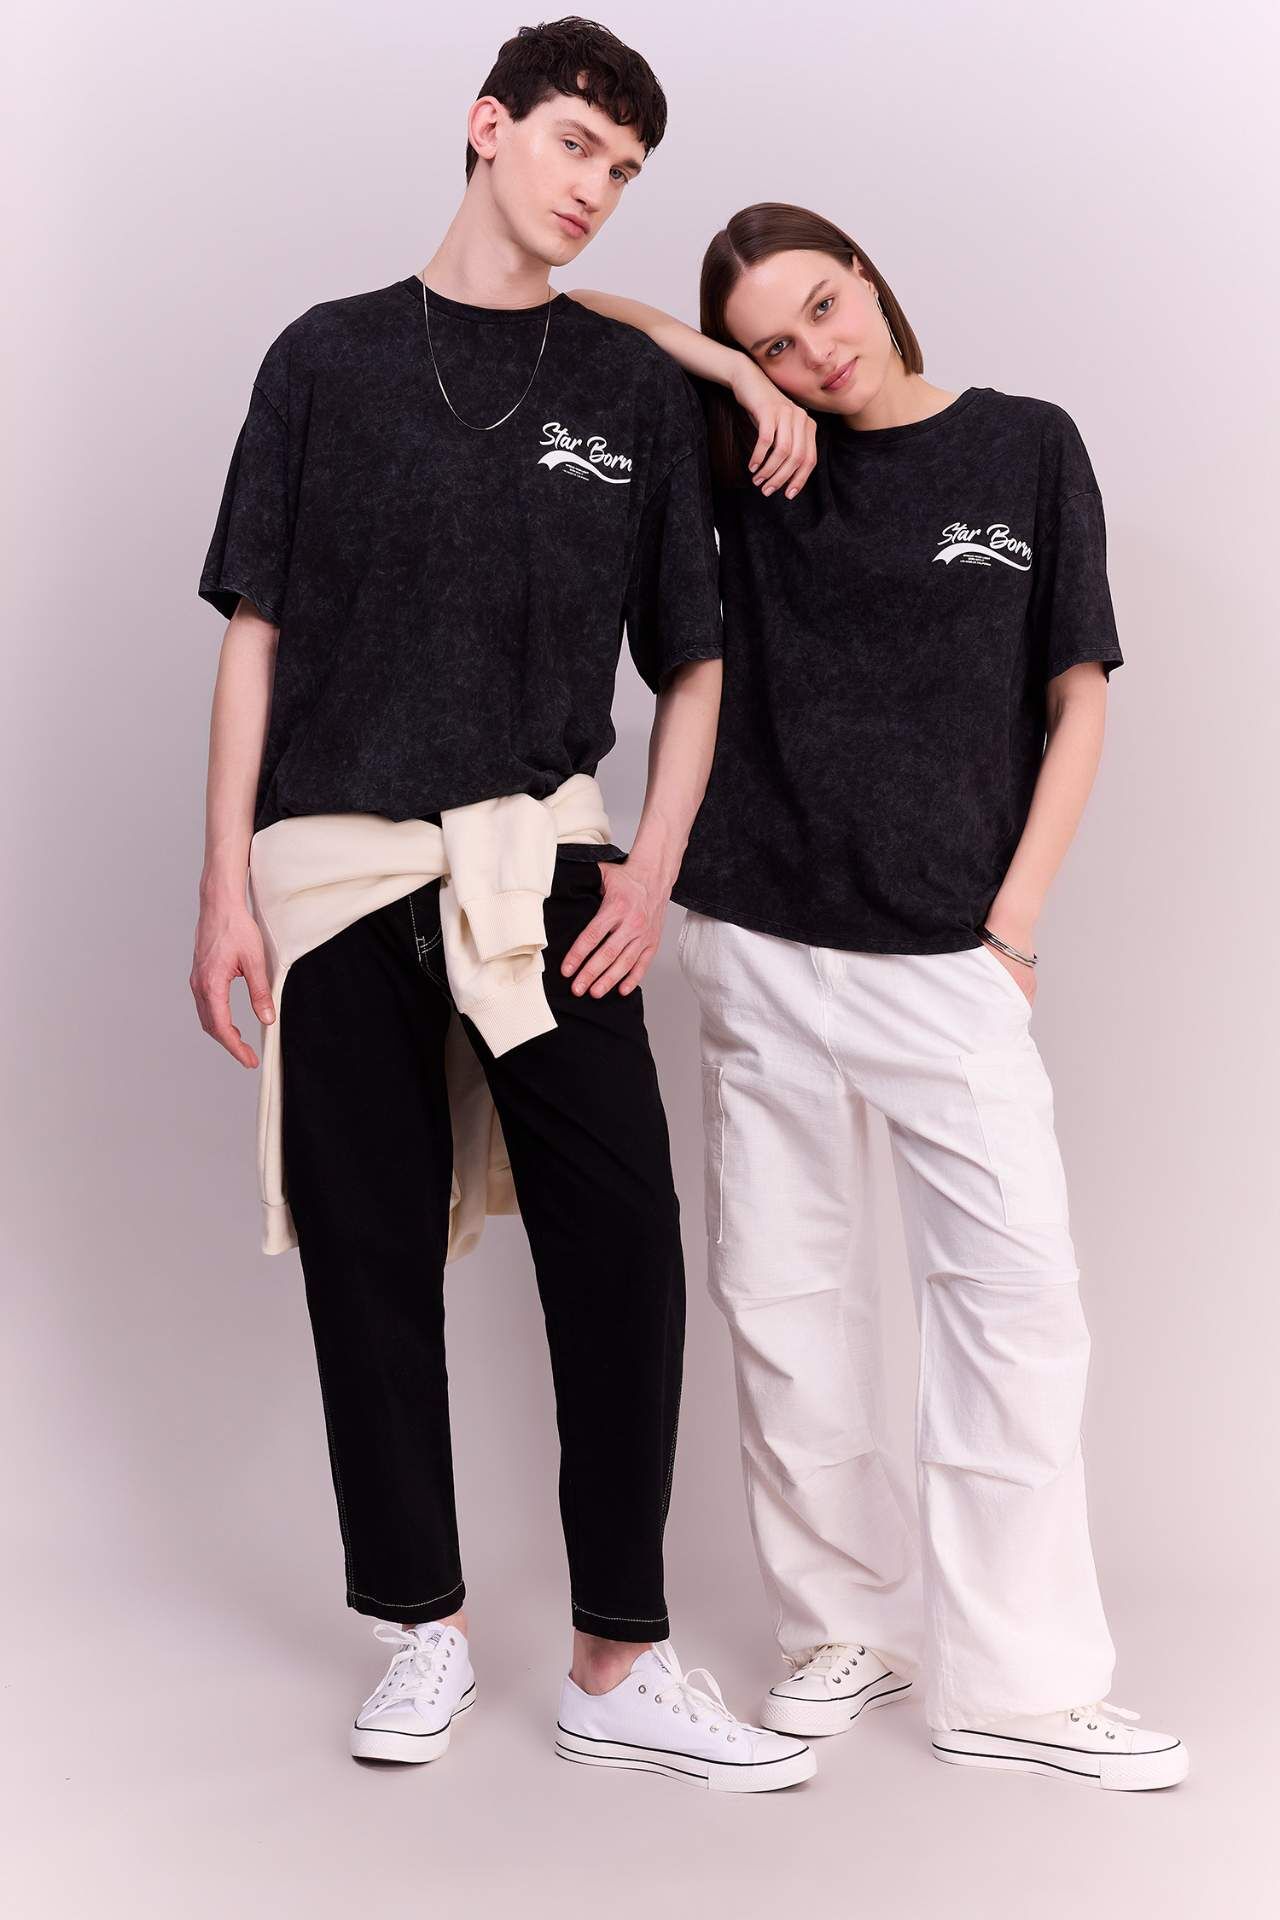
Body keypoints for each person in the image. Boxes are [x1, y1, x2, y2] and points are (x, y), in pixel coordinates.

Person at [189, 23, 815, 1793]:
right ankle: (424, 1626)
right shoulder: (324, 358)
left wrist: (655, 868)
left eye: (626, 170)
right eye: (573, 145)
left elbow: (693, 663)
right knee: (367, 1256)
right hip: (335, 869)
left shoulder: (629, 392)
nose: (597, 188)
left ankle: (619, 1659)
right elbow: (256, 633)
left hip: (546, 869)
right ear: (488, 128)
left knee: (622, 1245)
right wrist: (222, 881)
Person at [569, 201, 1188, 1791]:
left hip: (948, 958)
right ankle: (842, 1626)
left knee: (1016, 1306)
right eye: (776, 341)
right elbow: (566, 310)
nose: (815, 354)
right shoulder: (755, 457)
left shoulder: (1025, 446)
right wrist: (729, 376)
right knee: (786, 1301)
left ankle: (1019, 1682)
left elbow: (1077, 697)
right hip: (761, 939)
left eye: (824, 309)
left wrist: (1016, 924)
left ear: (872, 280)